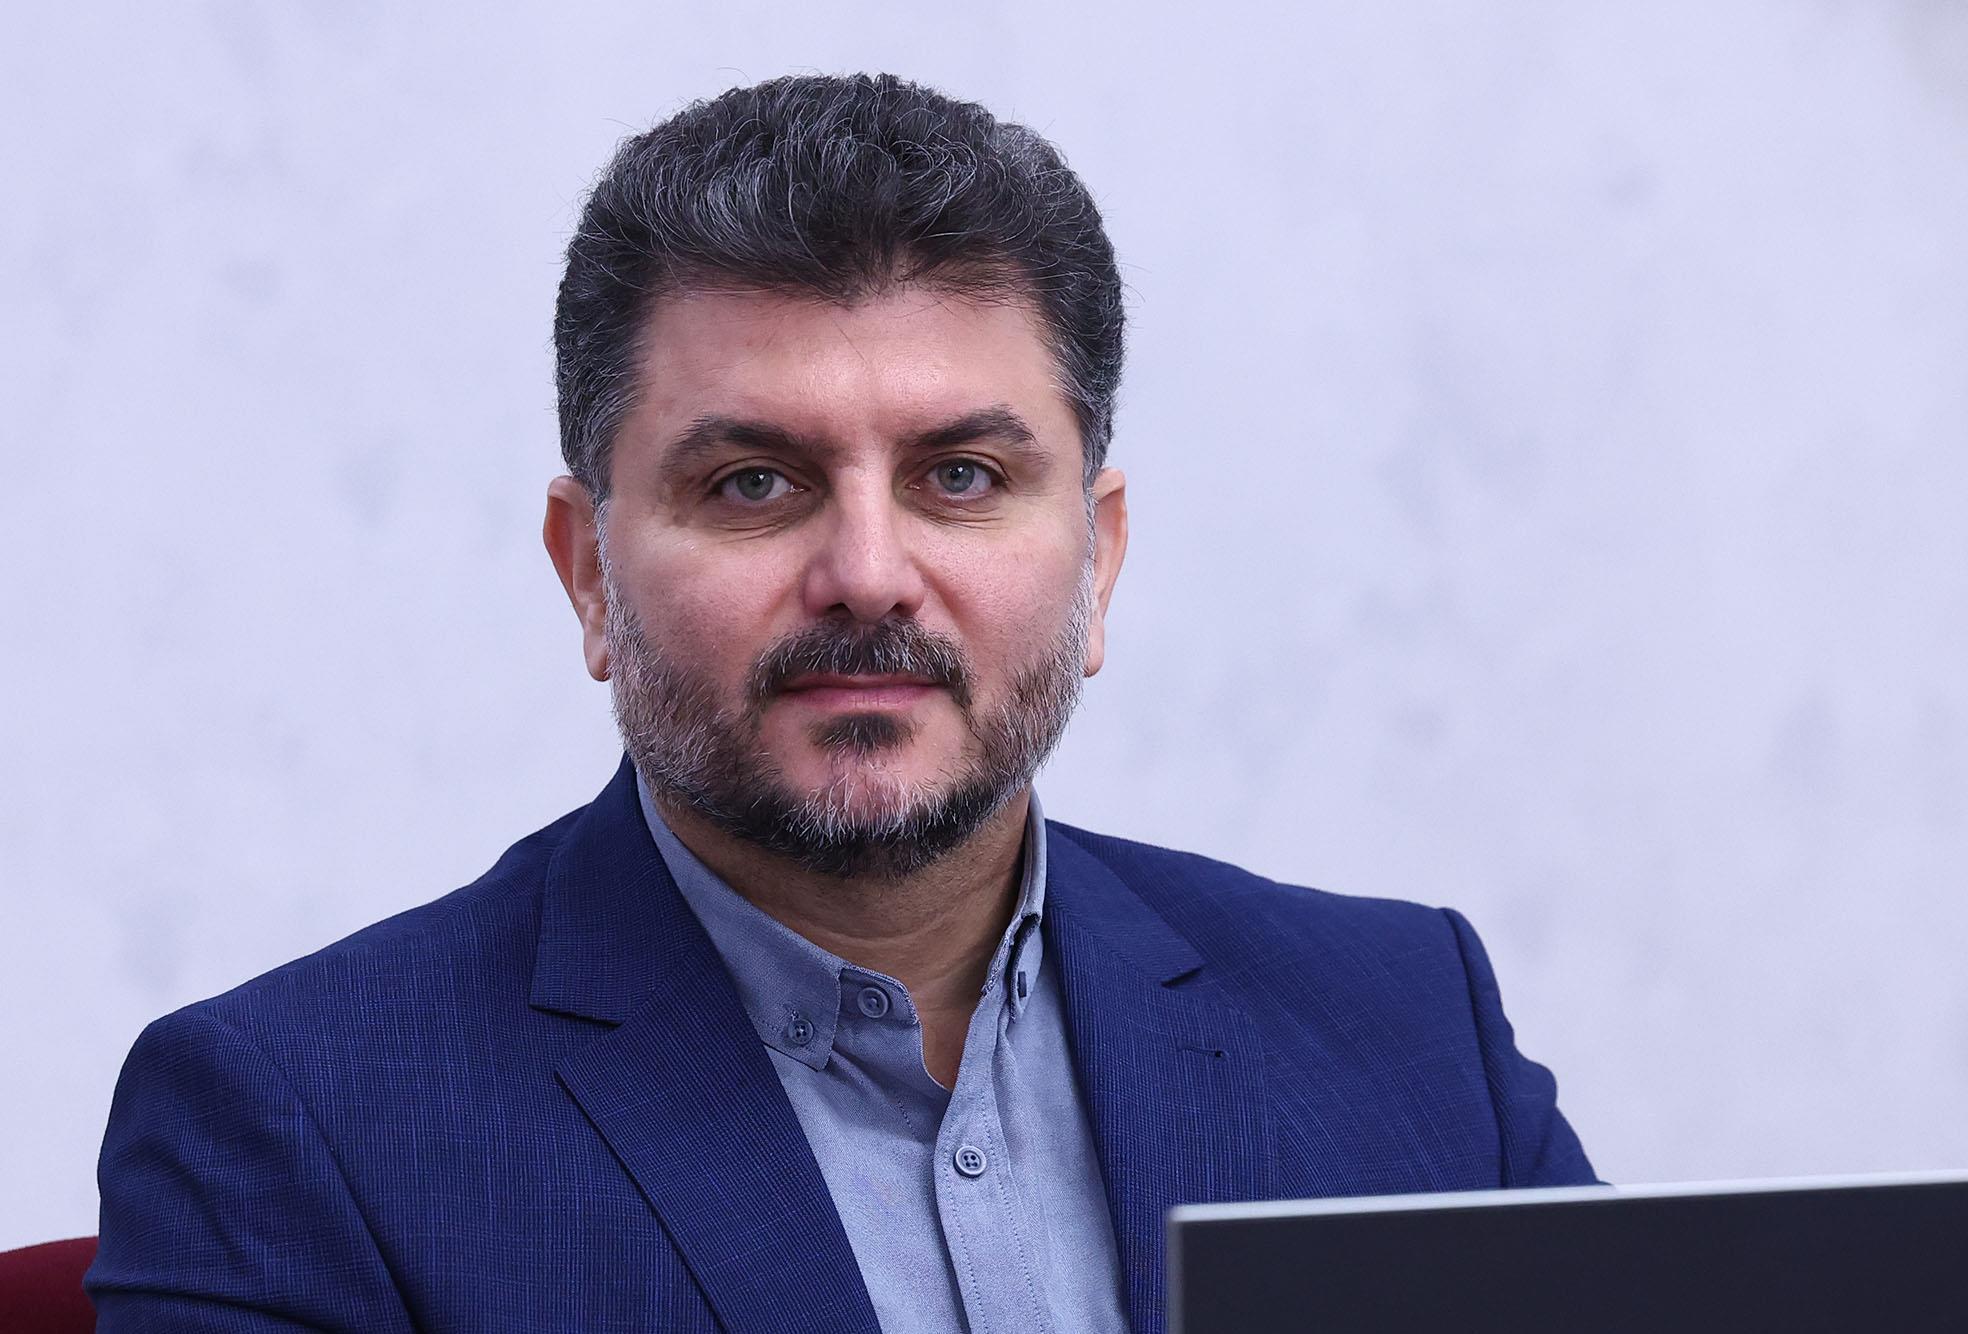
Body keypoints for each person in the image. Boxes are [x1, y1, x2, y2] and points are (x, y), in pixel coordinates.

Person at [88, 72, 1593, 1334]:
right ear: (589, 572)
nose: (868, 574)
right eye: (754, 483)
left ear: (1101, 560)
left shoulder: (1410, 1030)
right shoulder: (294, 1122)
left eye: (962, 476)